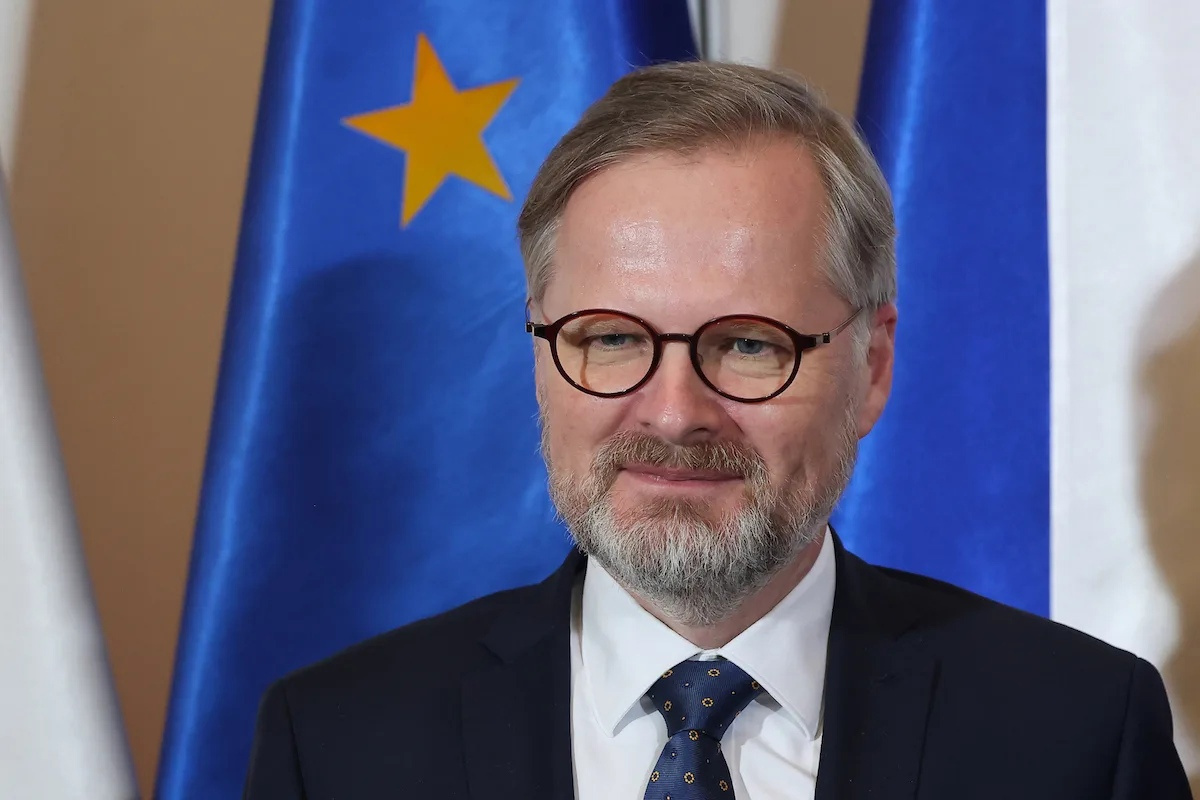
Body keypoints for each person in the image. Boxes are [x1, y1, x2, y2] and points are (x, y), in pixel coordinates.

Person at [242, 61, 1192, 799]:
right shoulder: (334, 745)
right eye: (611, 338)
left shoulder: (1075, 735)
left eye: (746, 344)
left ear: (871, 367)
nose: (674, 412)